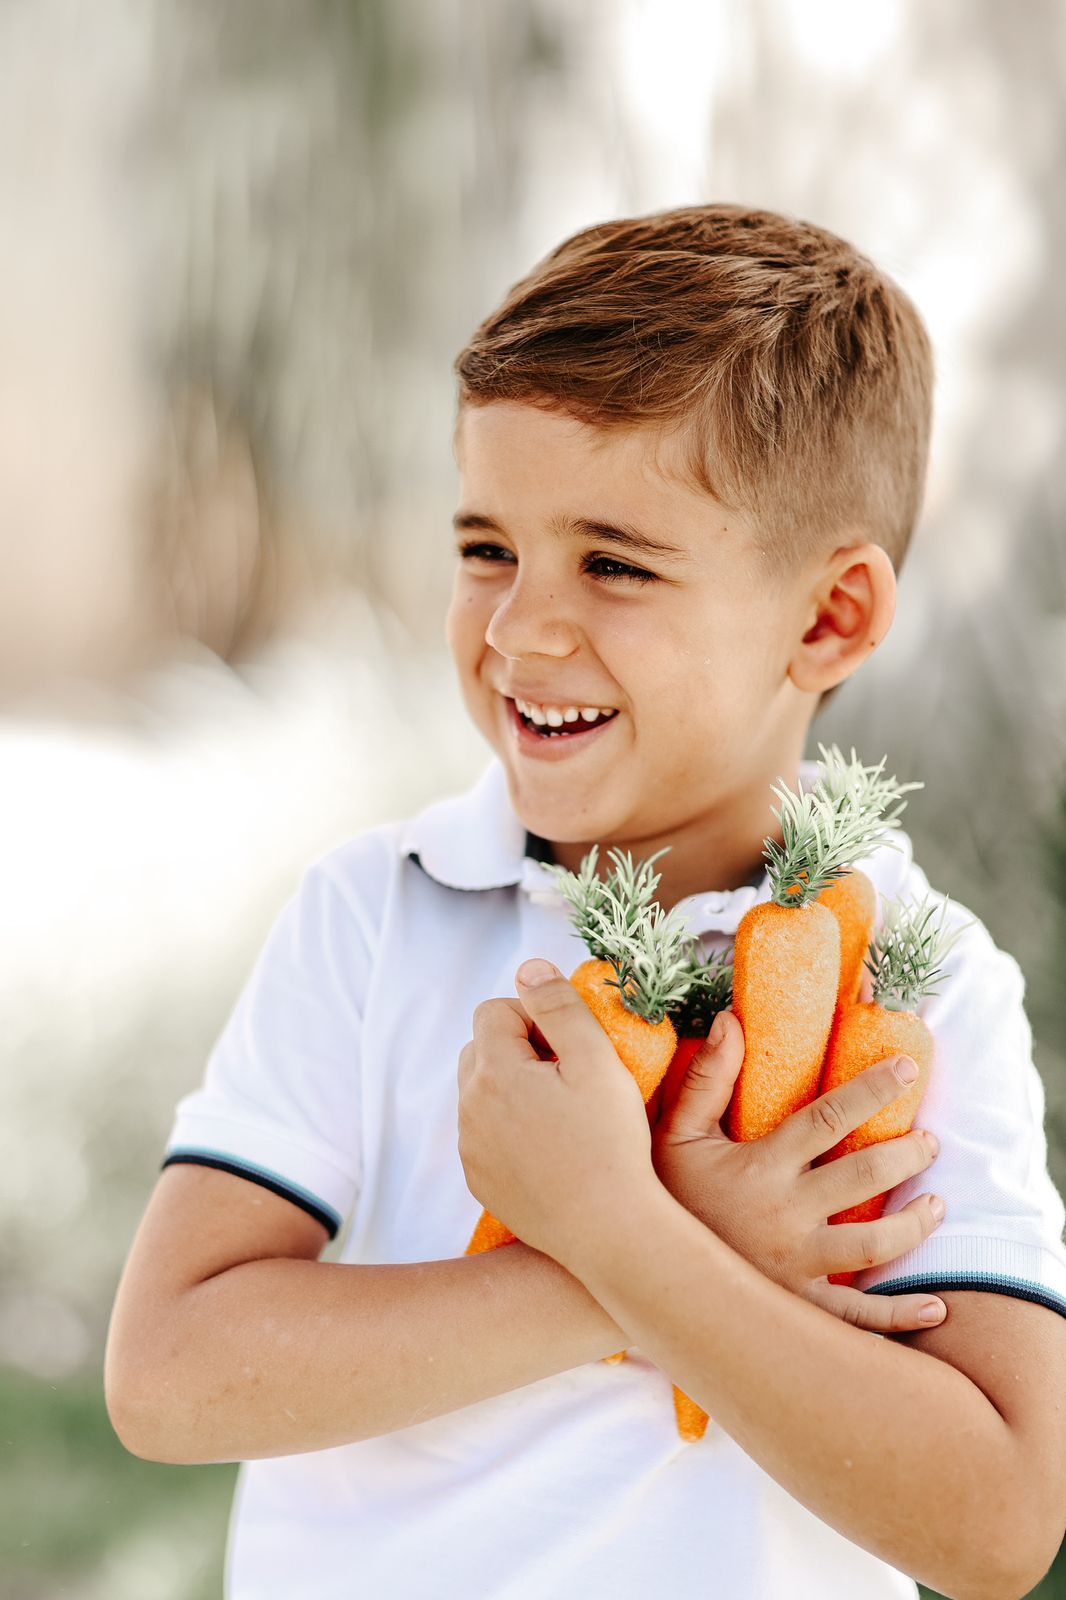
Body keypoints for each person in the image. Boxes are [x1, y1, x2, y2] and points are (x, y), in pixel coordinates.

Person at [104, 204, 1066, 1599]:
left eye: (612, 562)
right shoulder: (378, 919)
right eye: (485, 547)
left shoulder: (920, 985)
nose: (518, 628)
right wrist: (653, 1246)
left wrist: (623, 1230)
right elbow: (170, 1378)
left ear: (827, 620)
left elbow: (993, 1526)